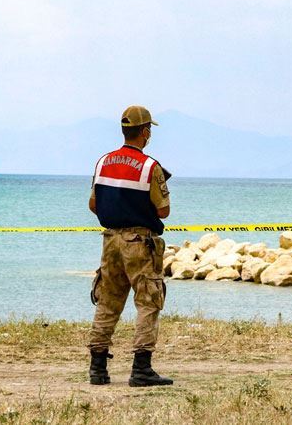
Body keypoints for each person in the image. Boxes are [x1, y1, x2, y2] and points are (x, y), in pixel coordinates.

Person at [86, 105, 173, 387]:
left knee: (108, 302)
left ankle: (98, 368)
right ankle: (141, 368)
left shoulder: (103, 162)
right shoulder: (150, 167)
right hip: (139, 242)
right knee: (148, 301)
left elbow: (93, 204)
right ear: (145, 132)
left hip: (110, 240)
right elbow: (163, 211)